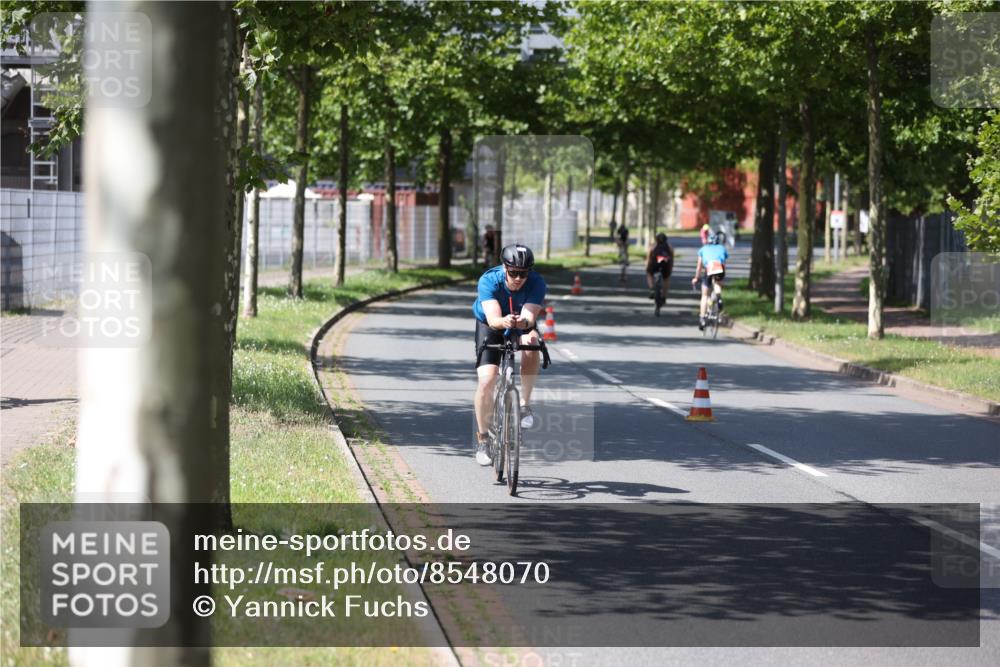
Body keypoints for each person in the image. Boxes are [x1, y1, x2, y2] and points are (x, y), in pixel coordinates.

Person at [472, 244, 546, 465]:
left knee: (531, 342)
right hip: (491, 323)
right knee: (487, 380)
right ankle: (483, 439)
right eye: (513, 273)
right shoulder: (489, 280)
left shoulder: (537, 282)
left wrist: (522, 322)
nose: (518, 278)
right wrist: (503, 321)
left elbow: (529, 318)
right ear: (504, 268)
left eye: (523, 274)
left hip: (520, 322)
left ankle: (524, 404)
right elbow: (493, 319)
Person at [691, 231, 729, 331]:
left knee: (704, 295)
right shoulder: (722, 248)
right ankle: (718, 297)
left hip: (709, 269)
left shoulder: (703, 249)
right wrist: (722, 277)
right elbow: (724, 264)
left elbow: (699, 266)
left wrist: (696, 277)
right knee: (717, 284)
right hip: (719, 268)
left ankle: (702, 319)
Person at [645, 232, 675, 301]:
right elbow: (671, 259)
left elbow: (648, 258)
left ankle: (652, 288)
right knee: (666, 279)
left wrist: (647, 266)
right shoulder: (669, 247)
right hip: (665, 265)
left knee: (649, 274)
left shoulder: (653, 246)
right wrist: (670, 268)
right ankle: (664, 295)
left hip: (655, 265)